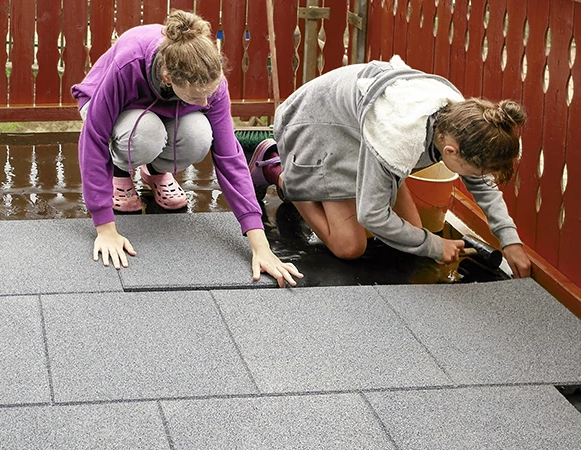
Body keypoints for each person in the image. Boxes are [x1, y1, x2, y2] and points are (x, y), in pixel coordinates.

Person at [71, 10, 303, 287]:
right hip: (112, 111)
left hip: (167, 108)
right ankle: (121, 173)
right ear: (168, 78)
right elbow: (93, 137)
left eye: (209, 94)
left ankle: (156, 172)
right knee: (146, 133)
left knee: (199, 134)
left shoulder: (209, 82)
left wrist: (260, 244)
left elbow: (229, 157)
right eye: (197, 96)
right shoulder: (129, 64)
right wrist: (105, 227)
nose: (206, 101)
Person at [249, 55, 532, 278]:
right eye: (476, 171)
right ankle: (282, 171)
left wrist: (510, 240)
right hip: (317, 123)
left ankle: (314, 180)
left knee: (412, 232)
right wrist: (435, 245)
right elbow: (372, 216)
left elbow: (481, 182)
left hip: (360, 128)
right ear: (450, 151)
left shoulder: (464, 121)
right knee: (350, 247)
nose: (480, 179)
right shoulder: (399, 135)